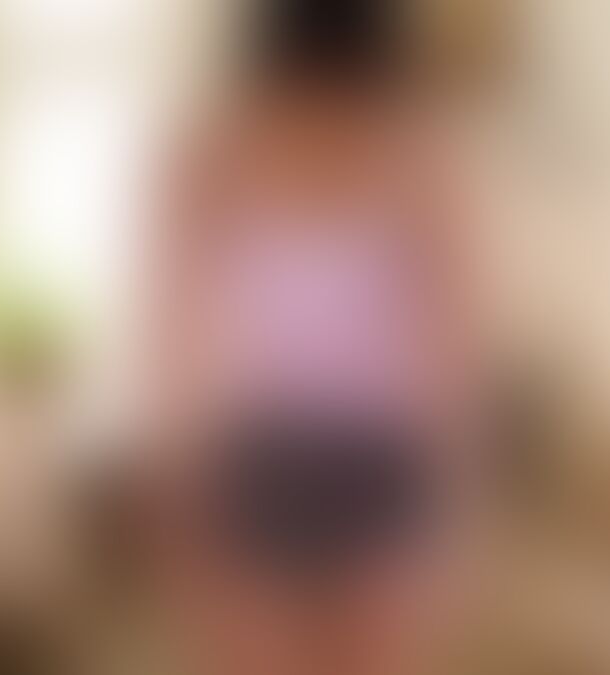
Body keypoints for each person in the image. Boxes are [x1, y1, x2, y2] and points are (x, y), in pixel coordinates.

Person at [138, 1, 487, 673]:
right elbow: (174, 338)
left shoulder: (411, 161)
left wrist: (453, 513)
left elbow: (448, 358)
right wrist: (182, 490)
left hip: (339, 457)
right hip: (295, 456)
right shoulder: (219, 158)